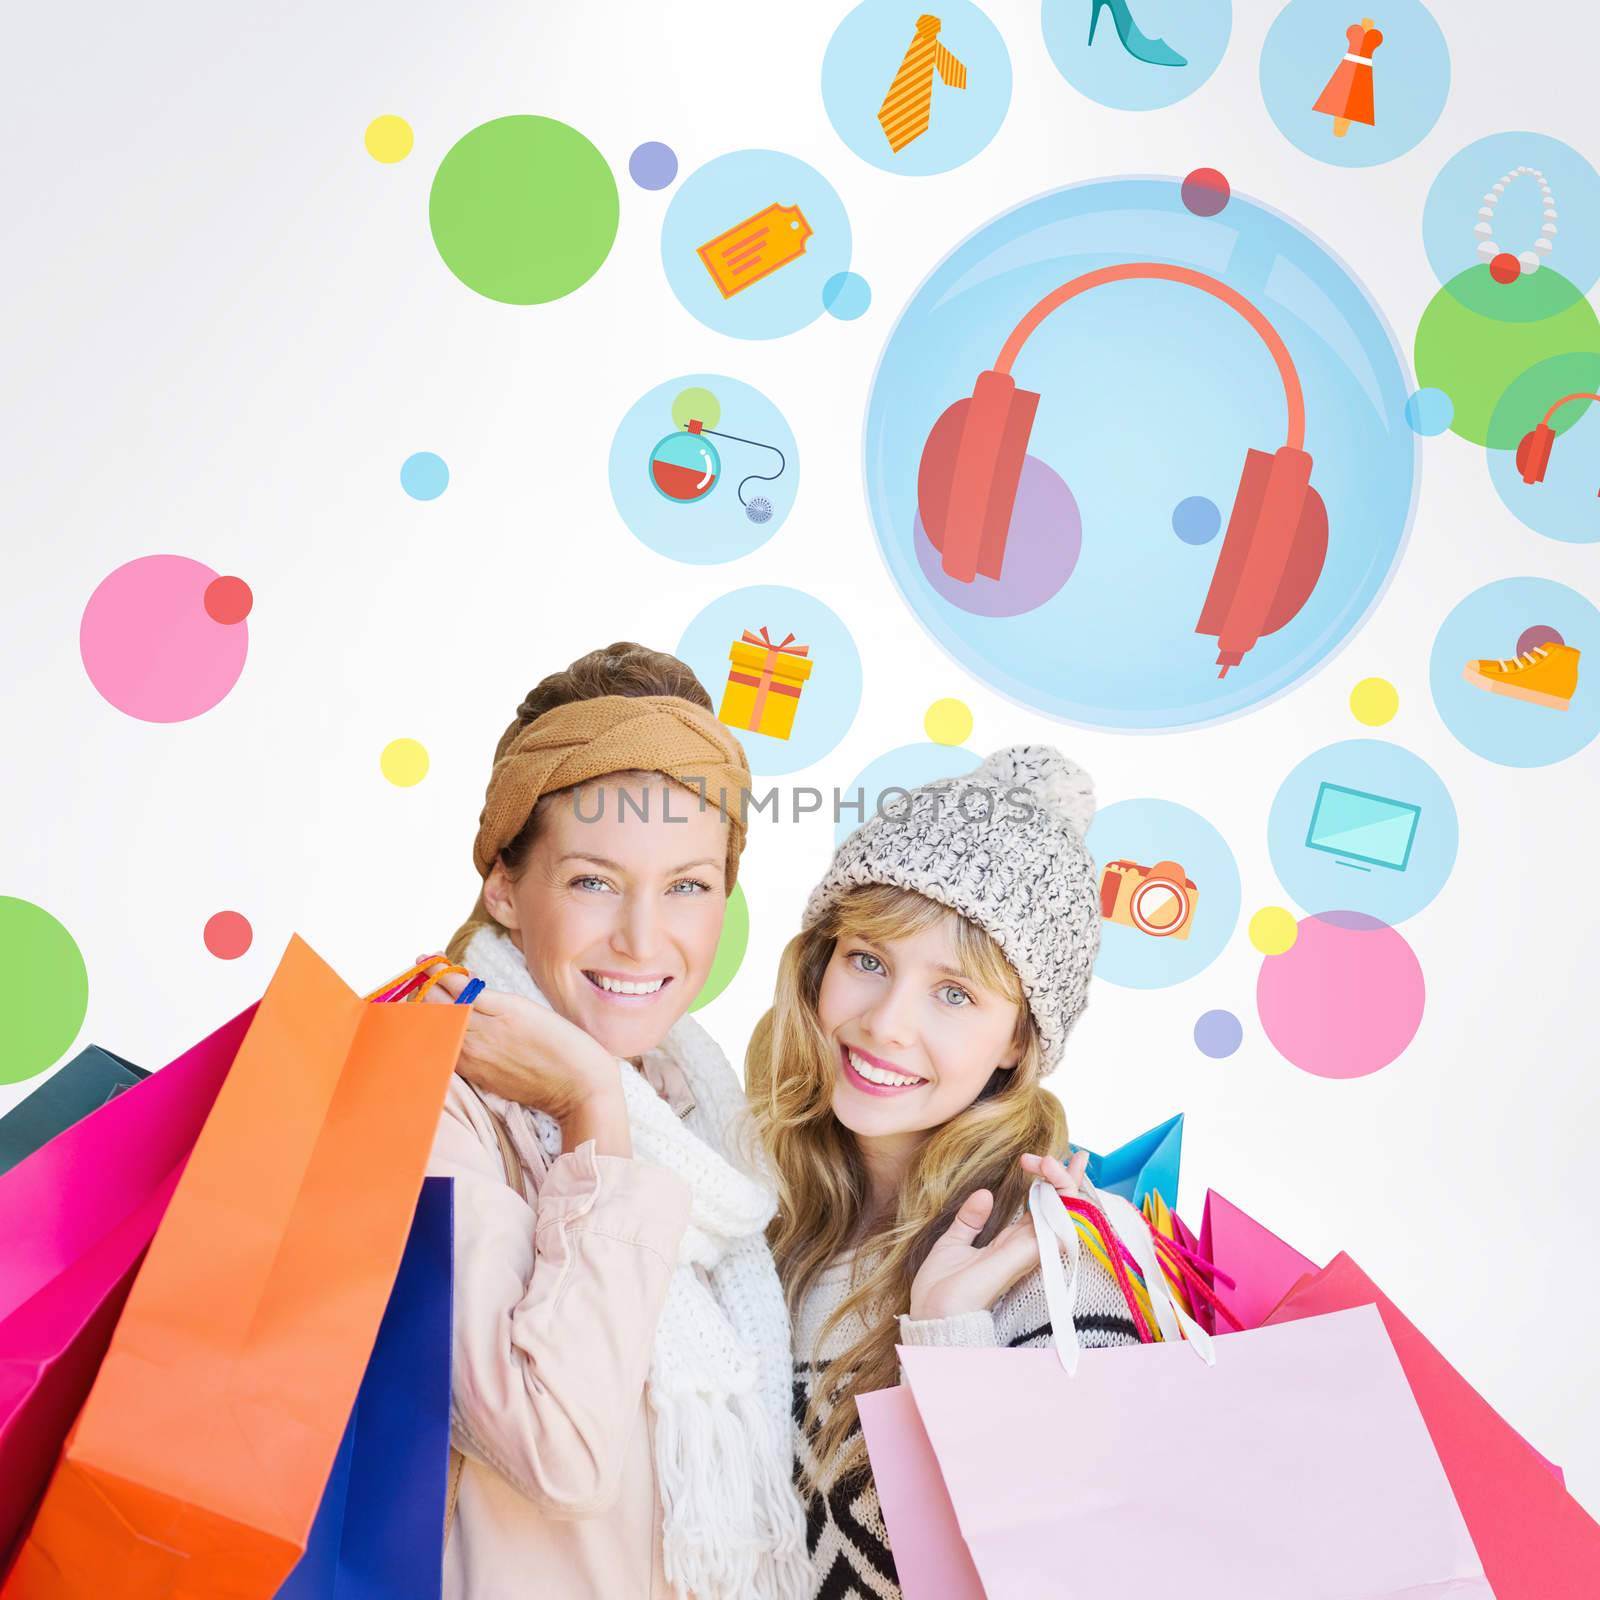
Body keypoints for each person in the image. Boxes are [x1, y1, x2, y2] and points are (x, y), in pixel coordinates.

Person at [421, 641, 808, 1600]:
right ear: (504, 885)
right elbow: (557, 1452)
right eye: (594, 880)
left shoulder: (712, 1123)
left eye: (687, 885)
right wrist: (590, 1105)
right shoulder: (437, 1105)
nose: (644, 938)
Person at [747, 746, 1145, 1600]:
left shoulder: (1055, 1260)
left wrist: (951, 1335)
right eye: (868, 961)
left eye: (955, 993)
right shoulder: (763, 1210)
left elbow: (1076, 1576)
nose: (887, 1024)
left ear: (1017, 1040)